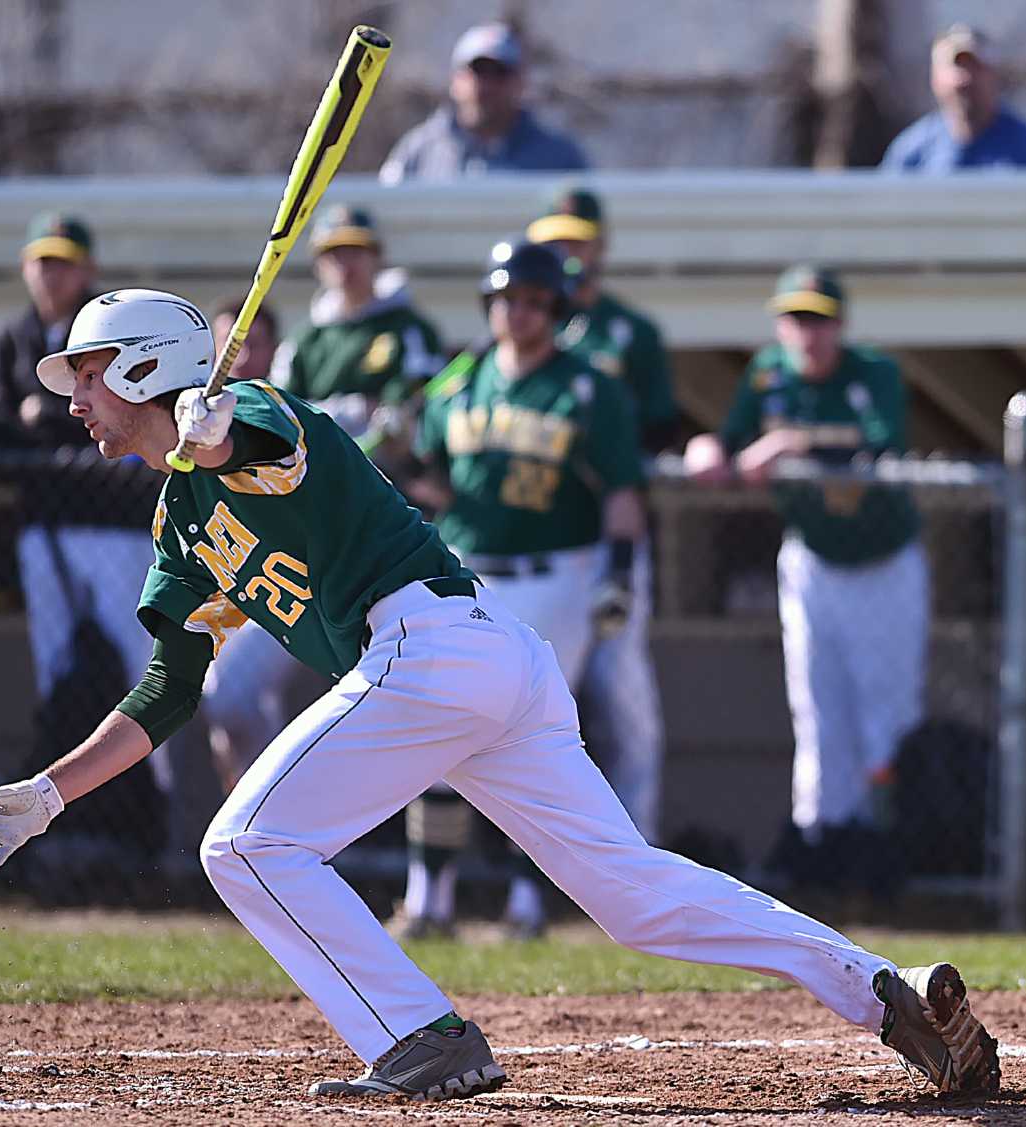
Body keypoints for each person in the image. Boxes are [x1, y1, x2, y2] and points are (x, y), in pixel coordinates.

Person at [0, 286, 999, 1102]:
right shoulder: (177, 520)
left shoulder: (250, 412)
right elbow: (173, 684)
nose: (71, 401)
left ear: (145, 367)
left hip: (432, 645)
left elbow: (251, 442)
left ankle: (419, 1033)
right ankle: (885, 989)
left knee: (245, 843)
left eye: (86, 375)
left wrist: (211, 434)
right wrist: (49, 790)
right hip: (482, 661)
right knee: (632, 895)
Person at [389, 240, 642, 940]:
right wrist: (387, 451)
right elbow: (428, 475)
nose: (519, 312)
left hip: (558, 570)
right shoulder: (457, 382)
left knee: (534, 739)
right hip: (468, 571)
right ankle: (428, 898)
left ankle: (529, 904)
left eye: (534, 301)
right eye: (507, 299)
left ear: (555, 309)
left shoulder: (587, 385)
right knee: (442, 730)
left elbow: (622, 489)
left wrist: (619, 570)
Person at [682, 266, 926, 887]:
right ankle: (824, 837)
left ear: (840, 325)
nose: (807, 334)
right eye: (796, 319)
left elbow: (878, 448)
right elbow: (733, 442)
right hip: (814, 559)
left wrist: (791, 444)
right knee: (817, 706)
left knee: (887, 711)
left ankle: (886, 841)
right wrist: (707, 446)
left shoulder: (874, 374)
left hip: (883, 563)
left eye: (819, 320)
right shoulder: (767, 375)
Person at [0, 213, 170, 857]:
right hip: (45, 527)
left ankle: (156, 812)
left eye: (63, 263)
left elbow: (125, 418)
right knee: (57, 666)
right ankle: (60, 819)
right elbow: (1, 424)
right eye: (41, 262)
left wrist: (52, 428)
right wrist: (40, 426)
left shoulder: (107, 332)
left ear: (88, 271)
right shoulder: (11, 337)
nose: (50, 276)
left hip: (114, 528)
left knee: (146, 667)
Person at [528, 185, 677, 839]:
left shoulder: (631, 332)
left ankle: (637, 843)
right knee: (541, 704)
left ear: (600, 248)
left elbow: (661, 429)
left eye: (578, 241)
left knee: (622, 696)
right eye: (556, 241)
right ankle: (550, 858)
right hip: (547, 536)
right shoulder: (535, 330)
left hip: (610, 536)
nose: (567, 253)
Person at [194, 299, 323, 792]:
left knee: (232, 694)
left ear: (275, 350)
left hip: (292, 585)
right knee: (222, 708)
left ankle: (276, 817)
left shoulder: (284, 414)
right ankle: (257, 822)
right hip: (223, 585)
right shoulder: (190, 421)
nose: (242, 355)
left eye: (253, 343)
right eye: (231, 345)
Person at [269, 205, 442, 472]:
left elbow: (423, 398)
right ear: (318, 265)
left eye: (355, 252)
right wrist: (354, 410)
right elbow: (283, 410)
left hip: (393, 477)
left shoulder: (409, 328)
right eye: (334, 254)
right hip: (319, 472)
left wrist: (392, 415)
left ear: (377, 258)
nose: (345, 265)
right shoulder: (304, 341)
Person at [378, 22, 588, 183]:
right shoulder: (418, 151)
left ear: (521, 82)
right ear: (455, 79)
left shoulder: (559, 157)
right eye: (478, 71)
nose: (487, 85)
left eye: (500, 73)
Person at [878, 25, 1026, 173]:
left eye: (975, 68)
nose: (965, 79)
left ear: (994, 75)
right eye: (956, 68)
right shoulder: (912, 154)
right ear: (934, 79)